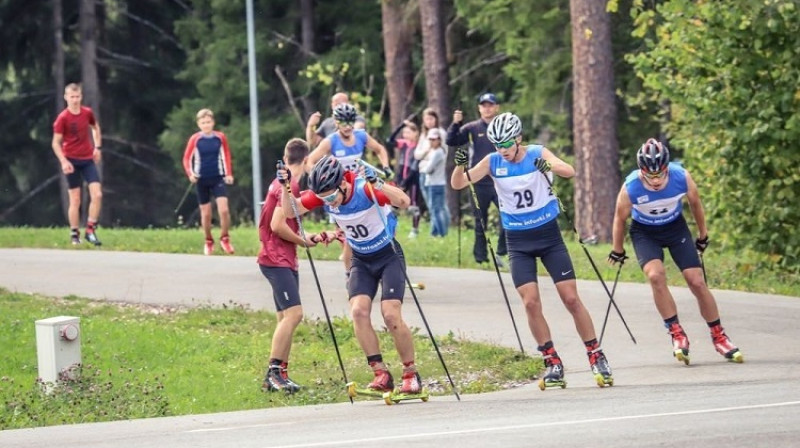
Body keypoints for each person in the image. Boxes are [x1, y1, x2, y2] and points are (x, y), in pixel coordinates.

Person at [450, 112, 614, 389]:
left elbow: (569, 171)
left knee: (571, 299)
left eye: (507, 144)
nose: (503, 150)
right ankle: (551, 361)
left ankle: (596, 355)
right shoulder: (492, 162)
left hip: (548, 236)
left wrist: (546, 165)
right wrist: (459, 165)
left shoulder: (536, 152)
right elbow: (459, 183)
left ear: (518, 138)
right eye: (497, 145)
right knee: (530, 302)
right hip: (518, 241)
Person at [279, 155, 425, 395]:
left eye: (330, 197)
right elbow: (290, 211)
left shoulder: (364, 189)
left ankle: (410, 373)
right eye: (323, 198)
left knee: (390, 315)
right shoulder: (324, 193)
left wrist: (378, 184)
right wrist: (285, 188)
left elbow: (403, 200)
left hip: (388, 255)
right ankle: (380, 372)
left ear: (343, 184)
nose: (329, 203)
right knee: (358, 311)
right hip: (361, 259)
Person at [608, 138, 743, 365]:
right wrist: (617, 249)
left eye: (660, 174)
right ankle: (676, 333)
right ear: (641, 171)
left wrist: (703, 235)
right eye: (650, 176)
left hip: (675, 227)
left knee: (696, 281)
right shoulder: (630, 186)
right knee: (655, 276)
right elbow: (619, 219)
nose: (656, 180)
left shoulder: (681, 177)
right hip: (645, 232)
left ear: (667, 168)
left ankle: (719, 336)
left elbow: (696, 204)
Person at [258, 138, 337, 394]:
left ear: (286, 154)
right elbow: (277, 226)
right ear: (306, 161)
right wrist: (303, 242)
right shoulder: (288, 184)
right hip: (276, 258)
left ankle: (281, 373)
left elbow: (289, 223)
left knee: (284, 317)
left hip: (281, 257)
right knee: (294, 314)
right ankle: (272, 373)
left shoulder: (285, 182)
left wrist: (312, 236)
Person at [446, 92, 507, 267]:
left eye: (490, 105)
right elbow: (452, 140)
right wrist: (455, 123)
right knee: (480, 222)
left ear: (497, 107)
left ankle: (503, 251)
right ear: (479, 108)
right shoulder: (472, 128)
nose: (487, 108)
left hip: (499, 180)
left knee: (507, 217)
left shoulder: (502, 127)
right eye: (484, 105)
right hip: (478, 181)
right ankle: (481, 258)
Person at [51, 83, 103, 246]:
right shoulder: (62, 118)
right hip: (71, 160)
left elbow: (95, 127)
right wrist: (63, 161)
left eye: (77, 97)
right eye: (71, 97)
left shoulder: (87, 113)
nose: (75, 100)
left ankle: (90, 230)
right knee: (75, 200)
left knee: (97, 195)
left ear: (81, 97)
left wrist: (97, 147)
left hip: (87, 159)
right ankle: (75, 233)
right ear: (66, 98)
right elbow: (55, 143)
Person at [182, 108, 235, 255]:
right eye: (203, 122)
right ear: (199, 124)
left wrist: (228, 173)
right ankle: (208, 240)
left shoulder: (220, 137)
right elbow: (187, 158)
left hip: (217, 177)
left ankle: (225, 238)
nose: (206, 125)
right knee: (206, 214)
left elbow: (226, 155)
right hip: (201, 179)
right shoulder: (195, 139)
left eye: (208, 122)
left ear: (213, 122)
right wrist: (190, 174)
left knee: (224, 210)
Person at [387, 119, 422, 238]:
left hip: (413, 177)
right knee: (395, 203)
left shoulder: (419, 146)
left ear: (415, 133)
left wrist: (405, 182)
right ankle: (391, 228)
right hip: (401, 175)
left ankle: (415, 230)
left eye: (408, 132)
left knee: (413, 205)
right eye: (404, 132)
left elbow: (414, 166)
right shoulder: (404, 144)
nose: (405, 135)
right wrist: (401, 125)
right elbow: (390, 140)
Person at [414, 108, 448, 209]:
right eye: (426, 119)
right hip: (423, 169)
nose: (429, 122)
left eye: (431, 119)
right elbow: (417, 154)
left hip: (435, 171)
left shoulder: (440, 133)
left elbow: (443, 152)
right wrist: (426, 151)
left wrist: (428, 156)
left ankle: (441, 224)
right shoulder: (424, 134)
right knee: (430, 203)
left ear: (436, 119)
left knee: (437, 205)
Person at [419, 128, 450, 237]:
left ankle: (442, 234)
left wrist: (423, 165)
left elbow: (428, 169)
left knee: (436, 210)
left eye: (434, 139)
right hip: (436, 183)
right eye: (430, 139)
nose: (432, 141)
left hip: (435, 184)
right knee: (436, 209)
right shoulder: (435, 152)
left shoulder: (438, 152)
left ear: (439, 140)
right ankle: (434, 232)